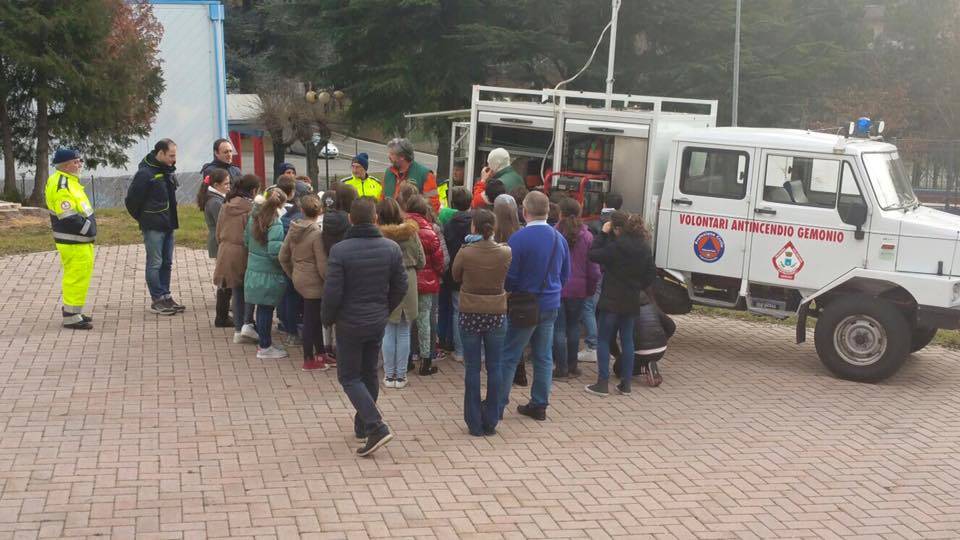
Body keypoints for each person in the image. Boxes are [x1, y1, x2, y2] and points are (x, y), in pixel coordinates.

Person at [322, 197, 407, 457]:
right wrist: (385, 308)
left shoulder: (340, 250)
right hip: (376, 318)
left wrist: (327, 318)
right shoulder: (391, 248)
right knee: (368, 371)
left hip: (349, 321)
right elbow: (400, 285)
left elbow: (333, 291)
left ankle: (374, 424)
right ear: (376, 219)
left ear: (350, 219)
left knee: (348, 376)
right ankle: (363, 425)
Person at [498, 191, 570, 421]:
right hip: (550, 303)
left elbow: (509, 277)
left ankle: (497, 404)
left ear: (524, 211)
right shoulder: (560, 239)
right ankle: (539, 403)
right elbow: (565, 274)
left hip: (523, 304)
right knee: (543, 355)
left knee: (510, 355)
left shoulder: (518, 239)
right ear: (548, 212)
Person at [585, 211, 658, 396]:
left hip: (611, 299)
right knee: (627, 340)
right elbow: (650, 274)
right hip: (632, 298)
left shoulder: (617, 246)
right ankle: (626, 384)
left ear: (618, 229)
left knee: (603, 339)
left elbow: (592, 254)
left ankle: (602, 383)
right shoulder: (644, 247)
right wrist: (637, 285)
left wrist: (602, 234)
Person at [452, 209, 511, 436]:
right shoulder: (505, 252)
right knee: (495, 366)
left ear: (474, 227)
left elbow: (456, 275)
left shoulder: (466, 252)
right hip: (496, 311)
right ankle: (492, 418)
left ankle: (474, 421)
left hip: (470, 311)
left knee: (472, 368)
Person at [124, 138, 183, 316]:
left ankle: (166, 296)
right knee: (155, 263)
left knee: (167, 262)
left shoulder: (167, 171)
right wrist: (145, 219)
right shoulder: (145, 174)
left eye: (175, 155)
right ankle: (157, 299)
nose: (174, 159)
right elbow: (131, 201)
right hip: (153, 227)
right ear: (160, 153)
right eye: (171, 155)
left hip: (168, 224)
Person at [45, 148, 96, 330]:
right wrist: (87, 229)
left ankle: (74, 312)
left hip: (79, 240)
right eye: (76, 161)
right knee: (75, 277)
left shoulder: (69, 180)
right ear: (66, 165)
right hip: (73, 240)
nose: (79, 164)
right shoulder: (62, 184)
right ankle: (71, 316)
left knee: (79, 276)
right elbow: (67, 216)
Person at [377, 198, 424, 388]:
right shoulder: (412, 233)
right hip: (408, 277)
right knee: (404, 330)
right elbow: (421, 260)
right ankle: (401, 375)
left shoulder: (379, 236)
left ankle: (389, 375)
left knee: (388, 330)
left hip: (386, 279)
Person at [279, 194, 330, 371]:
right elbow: (322, 262)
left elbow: (283, 256)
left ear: (301, 210)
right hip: (314, 280)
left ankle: (321, 353)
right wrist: (328, 281)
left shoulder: (294, 229)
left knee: (313, 316)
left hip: (299, 276)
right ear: (320, 211)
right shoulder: (316, 233)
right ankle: (309, 358)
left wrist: (293, 273)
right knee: (311, 319)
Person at [553, 198, 600, 378]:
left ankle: (561, 368)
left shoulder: (554, 234)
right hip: (579, 289)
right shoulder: (587, 236)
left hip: (557, 287)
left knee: (558, 329)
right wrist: (591, 289)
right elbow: (594, 270)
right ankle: (573, 366)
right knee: (573, 327)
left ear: (560, 213)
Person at [214, 175, 261, 344]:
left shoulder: (226, 205)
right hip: (244, 251)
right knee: (248, 290)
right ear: (254, 191)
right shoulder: (252, 208)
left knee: (236, 289)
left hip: (226, 249)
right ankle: (248, 324)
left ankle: (238, 328)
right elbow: (254, 234)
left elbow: (218, 231)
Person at [244, 188, 289, 359]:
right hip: (269, 272)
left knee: (262, 308)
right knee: (266, 310)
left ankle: (265, 343)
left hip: (254, 268)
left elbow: (246, 240)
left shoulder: (254, 217)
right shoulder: (275, 221)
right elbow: (274, 250)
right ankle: (265, 346)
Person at [580, 192, 624, 363]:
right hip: (613, 272)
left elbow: (592, 249)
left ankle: (593, 344)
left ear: (603, 204)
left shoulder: (595, 224)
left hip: (598, 268)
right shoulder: (623, 223)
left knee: (589, 306)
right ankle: (608, 342)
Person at [403, 195, 445, 375]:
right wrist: (438, 274)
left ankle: (405, 360)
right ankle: (426, 361)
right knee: (425, 320)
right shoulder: (430, 231)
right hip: (427, 282)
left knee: (406, 321)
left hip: (406, 281)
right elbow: (439, 260)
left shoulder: (401, 229)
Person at [440, 187, 473, 362]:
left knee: (456, 311)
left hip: (453, 273)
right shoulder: (475, 222)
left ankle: (459, 350)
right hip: (473, 274)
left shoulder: (448, 224)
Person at [197, 168, 233, 327]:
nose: (229, 186)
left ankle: (223, 314)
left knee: (224, 279)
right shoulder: (215, 202)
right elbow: (224, 223)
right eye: (226, 184)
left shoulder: (215, 198)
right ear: (216, 185)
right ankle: (222, 316)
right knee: (224, 279)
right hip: (219, 241)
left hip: (218, 240)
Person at [276, 176, 304, 344]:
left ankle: (287, 328)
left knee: (286, 296)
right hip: (300, 265)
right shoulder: (301, 220)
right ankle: (295, 329)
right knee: (295, 298)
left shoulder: (282, 218)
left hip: (287, 265)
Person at [384, 138, 439, 211]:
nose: (389, 156)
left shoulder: (425, 175)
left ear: (402, 157)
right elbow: (383, 198)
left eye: (392, 154)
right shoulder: (388, 173)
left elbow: (433, 206)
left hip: (414, 221)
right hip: (390, 220)